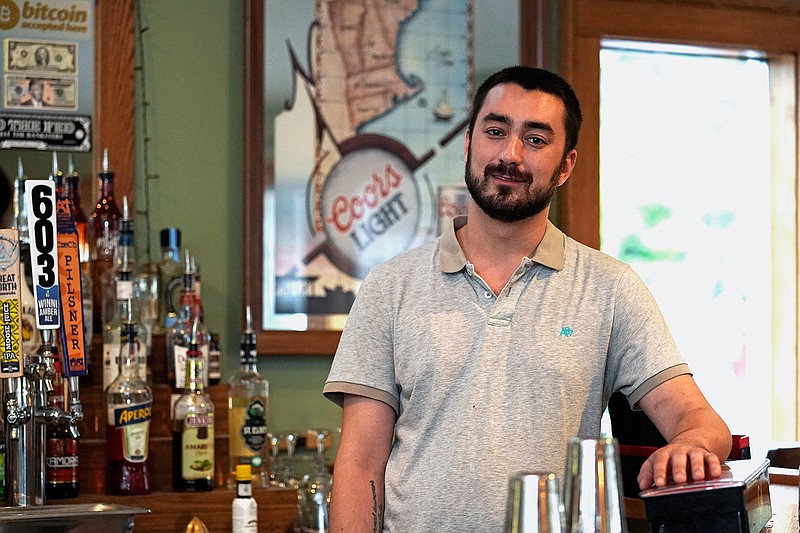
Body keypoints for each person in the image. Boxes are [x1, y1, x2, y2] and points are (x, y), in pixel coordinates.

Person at [323, 66, 731, 533]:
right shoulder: (389, 286)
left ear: (567, 164)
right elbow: (359, 464)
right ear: (469, 144)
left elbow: (700, 419)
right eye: (495, 131)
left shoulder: (610, 287)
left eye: (535, 140)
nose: (509, 154)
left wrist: (692, 443)